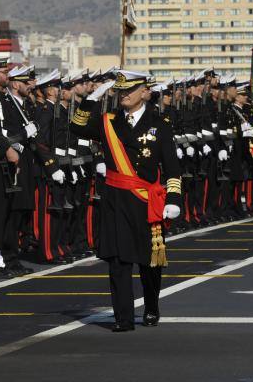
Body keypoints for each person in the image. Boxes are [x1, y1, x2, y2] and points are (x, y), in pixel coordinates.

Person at [69, 70, 182, 332]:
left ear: (146, 92)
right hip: (115, 201)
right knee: (118, 261)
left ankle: (151, 306)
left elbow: (172, 168)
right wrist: (90, 99)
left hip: (145, 201)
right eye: (120, 91)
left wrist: (174, 198)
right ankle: (123, 317)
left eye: (130, 90)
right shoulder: (108, 121)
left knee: (149, 262)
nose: (124, 95)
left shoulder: (160, 124)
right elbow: (75, 127)